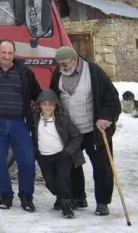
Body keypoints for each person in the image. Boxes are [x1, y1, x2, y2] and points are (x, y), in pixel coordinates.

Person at [50, 46, 121, 216]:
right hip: (72, 132)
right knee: (72, 165)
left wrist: (105, 116)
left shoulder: (93, 72)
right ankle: (77, 197)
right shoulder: (58, 74)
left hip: (94, 129)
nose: (63, 67)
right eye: (60, 64)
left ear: (75, 59)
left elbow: (111, 97)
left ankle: (103, 202)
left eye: (65, 64)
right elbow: (54, 96)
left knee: (102, 166)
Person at [0, 39, 42, 211]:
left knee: (27, 161)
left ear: (14, 54)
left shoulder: (24, 72)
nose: (7, 56)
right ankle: (5, 196)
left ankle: (26, 197)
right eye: (3, 52)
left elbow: (38, 94)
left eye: (10, 53)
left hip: (19, 124)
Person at [32, 90, 84, 219]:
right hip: (43, 156)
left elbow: (76, 137)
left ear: (56, 106)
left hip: (62, 155)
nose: (48, 107)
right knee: (50, 182)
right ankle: (60, 196)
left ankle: (66, 205)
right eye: (44, 104)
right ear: (39, 105)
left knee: (63, 179)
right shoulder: (34, 119)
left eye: (51, 104)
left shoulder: (62, 119)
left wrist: (67, 152)